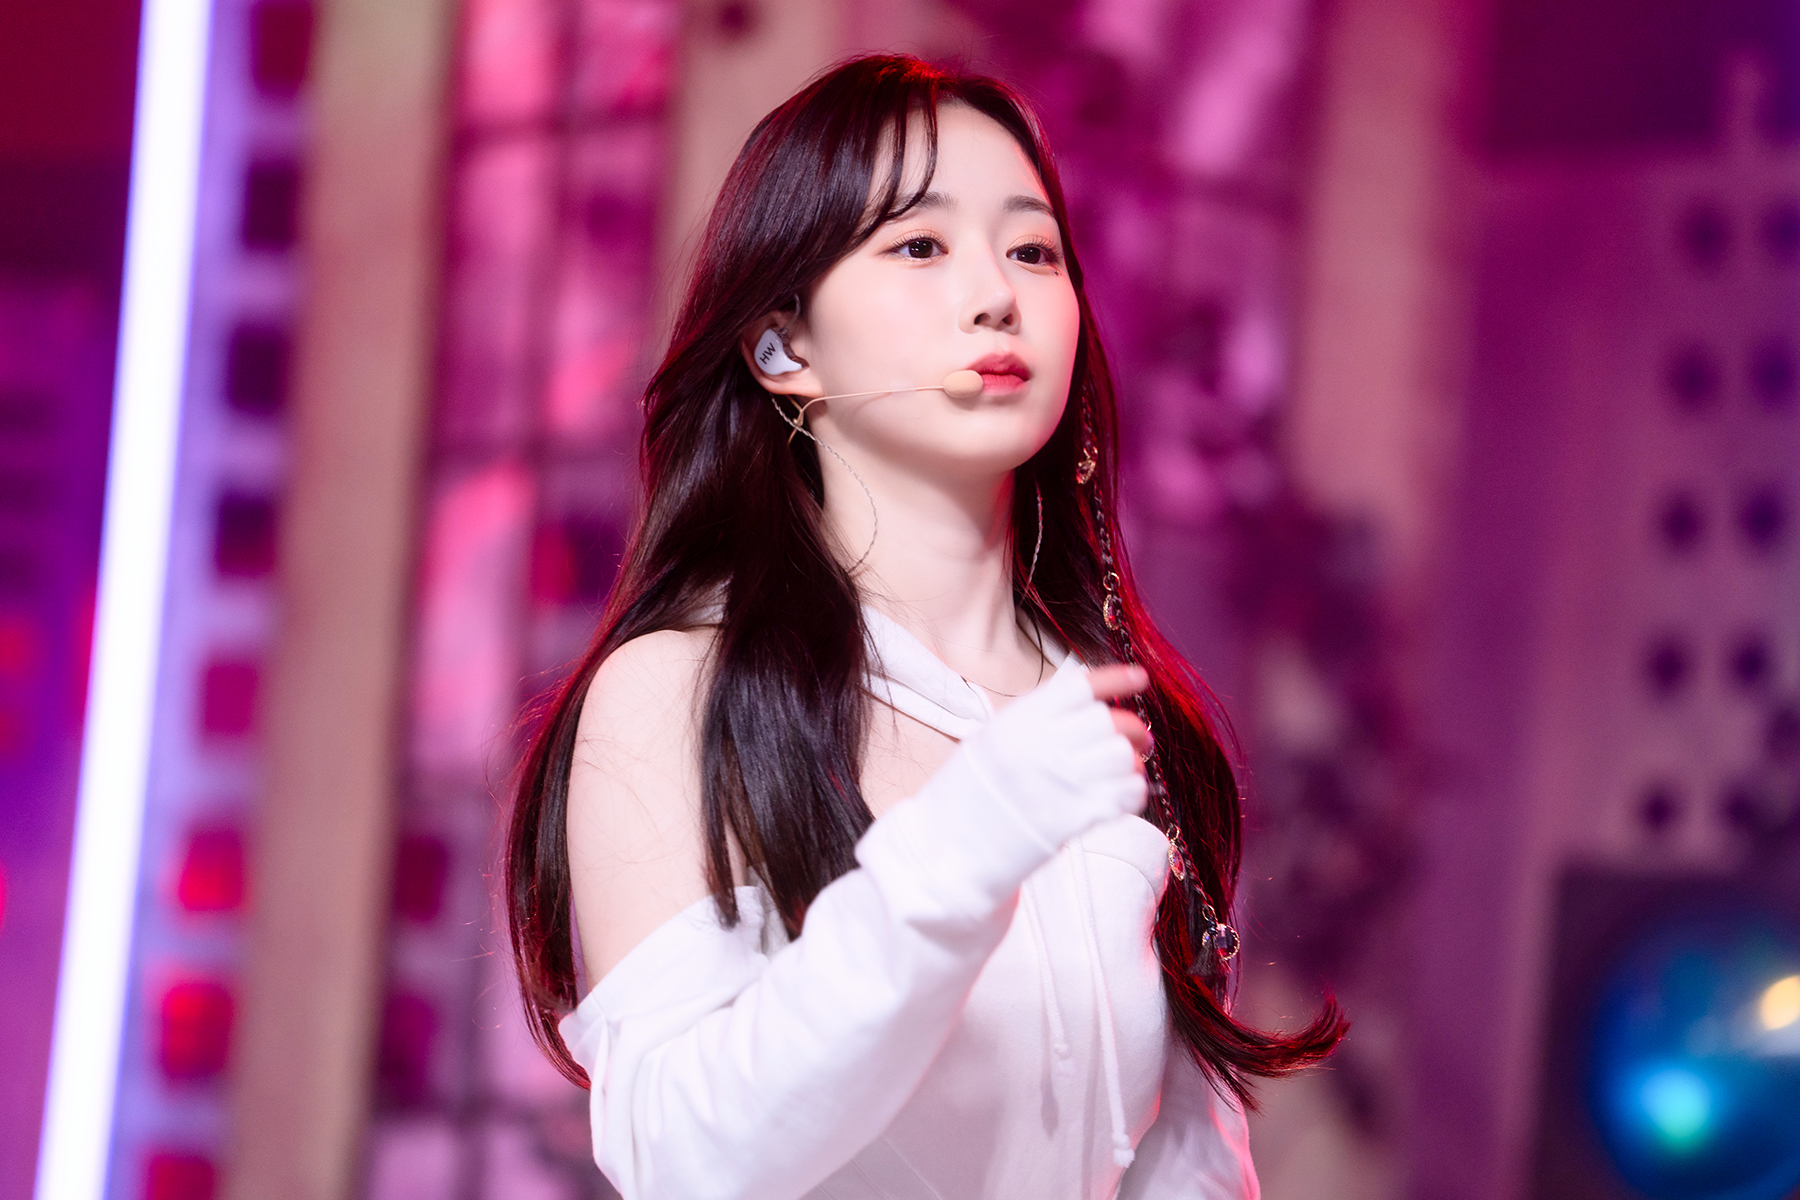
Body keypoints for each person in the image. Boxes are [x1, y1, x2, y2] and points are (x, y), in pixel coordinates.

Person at [505, 53, 1344, 1200]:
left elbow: (1186, 1165)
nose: (997, 295)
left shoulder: (1129, 731)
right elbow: (686, 1156)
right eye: (920, 246)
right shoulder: (679, 693)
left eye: (1034, 251)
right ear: (783, 347)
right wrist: (965, 847)